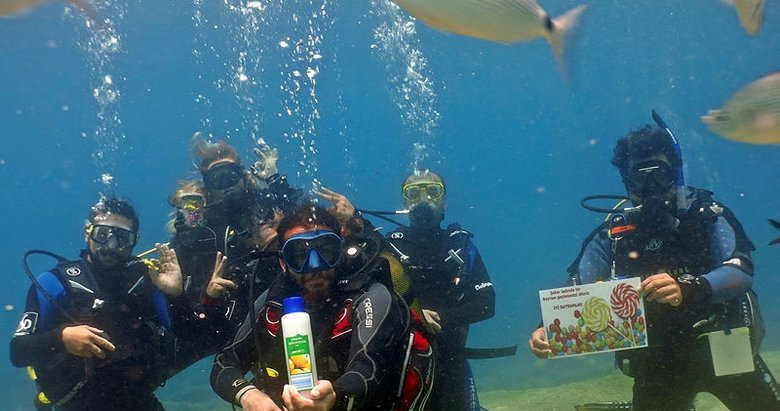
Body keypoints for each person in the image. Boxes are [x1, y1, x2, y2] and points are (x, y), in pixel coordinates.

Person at [527, 121, 780, 410]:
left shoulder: (706, 215)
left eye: (659, 175)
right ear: (626, 180)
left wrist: (690, 288)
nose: (649, 187)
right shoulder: (615, 233)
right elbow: (578, 287)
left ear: (677, 174)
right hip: (657, 358)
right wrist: (547, 328)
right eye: (638, 178)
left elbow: (741, 271)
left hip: (724, 342)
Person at [210, 204, 433, 411]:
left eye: (326, 251)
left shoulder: (369, 296)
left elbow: (367, 368)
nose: (314, 266)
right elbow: (224, 364)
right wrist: (248, 395)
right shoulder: (272, 301)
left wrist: (335, 395)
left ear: (342, 252)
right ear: (283, 262)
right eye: (299, 254)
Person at [10, 196, 182, 410]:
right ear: (87, 232)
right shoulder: (56, 282)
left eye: (122, 238)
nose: (111, 246)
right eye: (102, 235)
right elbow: (18, 351)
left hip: (140, 401)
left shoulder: (146, 281)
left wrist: (176, 294)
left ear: (135, 240)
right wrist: (62, 338)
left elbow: (187, 337)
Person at [166, 136, 305, 375]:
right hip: (218, 315)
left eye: (231, 175)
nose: (227, 185)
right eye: (217, 179)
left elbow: (307, 218)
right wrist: (185, 231)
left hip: (272, 305)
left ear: (243, 175)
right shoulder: (201, 220)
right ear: (207, 185)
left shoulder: (263, 204)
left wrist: (275, 180)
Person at [385, 170, 495, 411]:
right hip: (400, 361)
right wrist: (416, 317)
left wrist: (441, 318)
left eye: (433, 191)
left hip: (451, 360)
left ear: (444, 200)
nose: (423, 200)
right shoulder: (390, 246)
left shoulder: (462, 245)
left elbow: (486, 303)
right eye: (413, 193)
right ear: (405, 202)